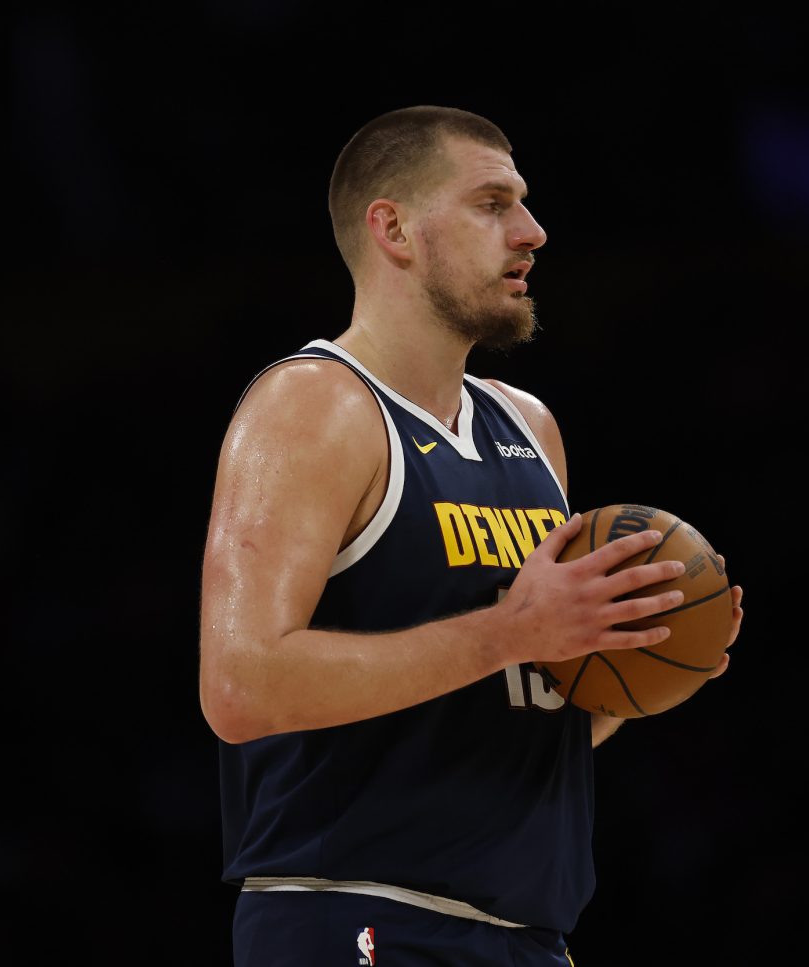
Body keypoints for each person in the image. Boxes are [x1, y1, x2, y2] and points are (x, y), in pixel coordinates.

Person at [200, 105, 744, 966]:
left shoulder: (530, 425)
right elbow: (239, 685)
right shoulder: (314, 406)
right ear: (395, 229)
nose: (532, 231)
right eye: (493, 204)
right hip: (358, 917)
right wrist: (510, 631)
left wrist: (635, 663)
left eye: (523, 204)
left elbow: (514, 705)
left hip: (527, 932)